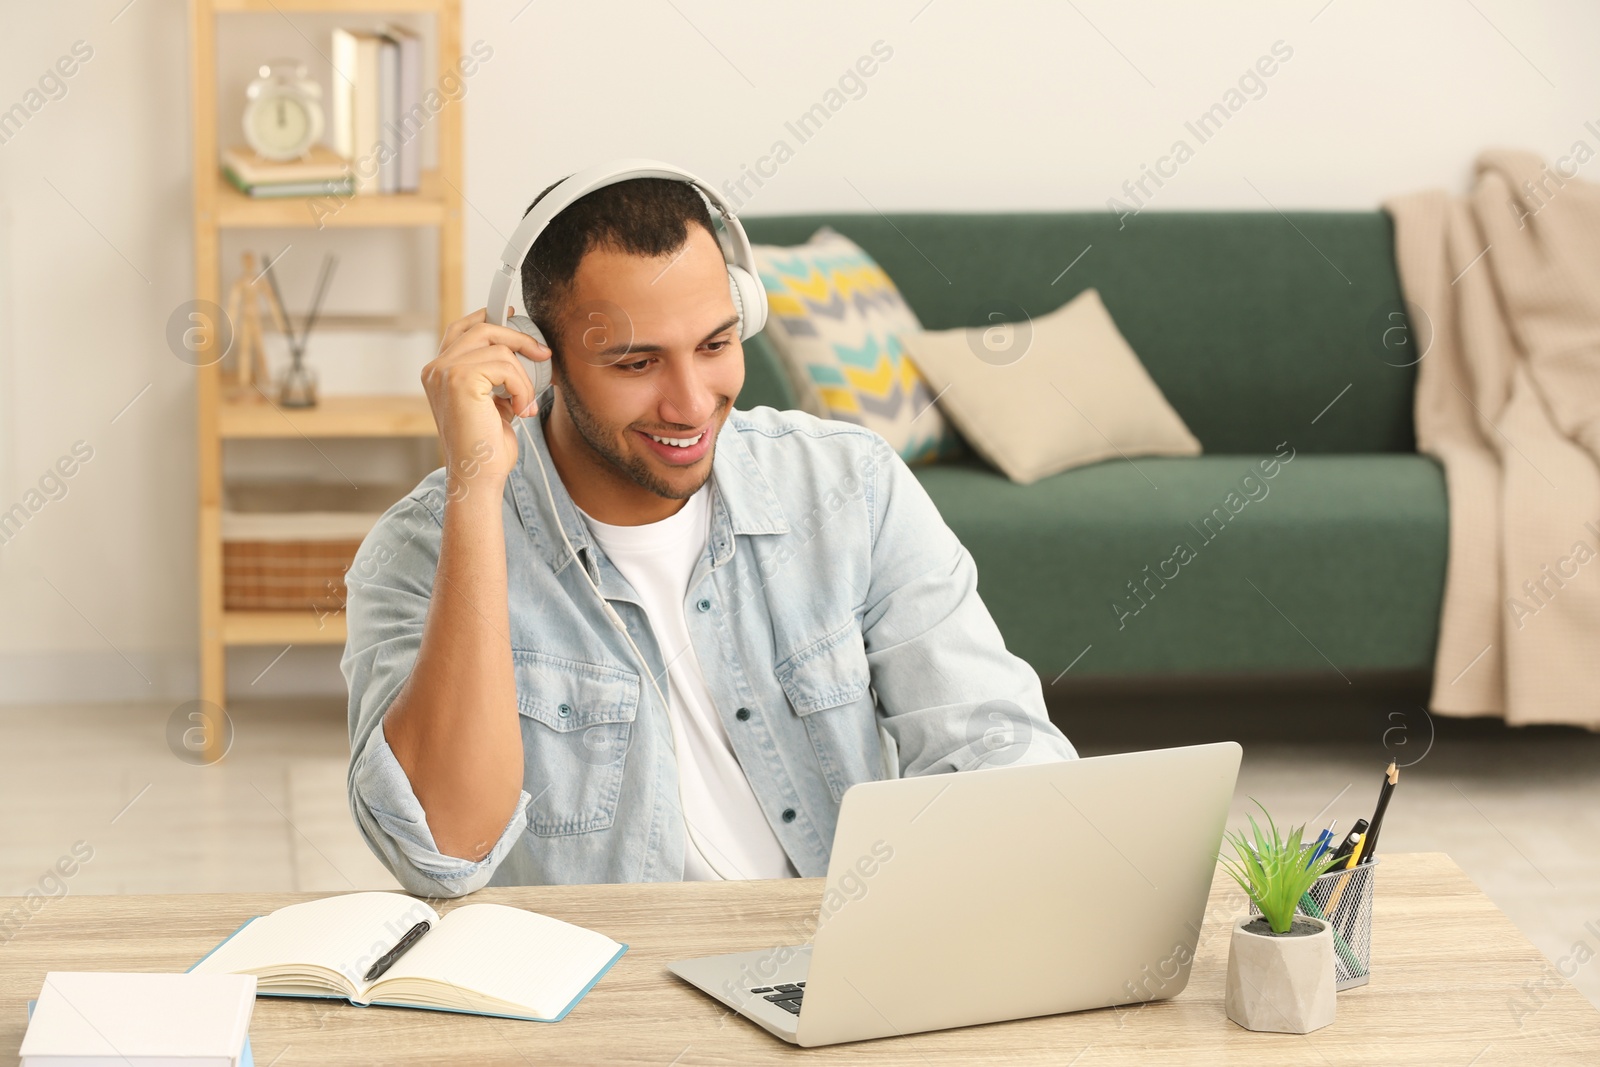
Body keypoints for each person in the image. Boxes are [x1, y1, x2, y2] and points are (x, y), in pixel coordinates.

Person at [341, 173, 1076, 897]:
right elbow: (442, 852)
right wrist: (474, 489)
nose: (692, 404)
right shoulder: (421, 547)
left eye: (717, 344)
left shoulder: (850, 485)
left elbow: (993, 742)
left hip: (832, 962)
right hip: (609, 991)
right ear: (536, 356)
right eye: (636, 362)